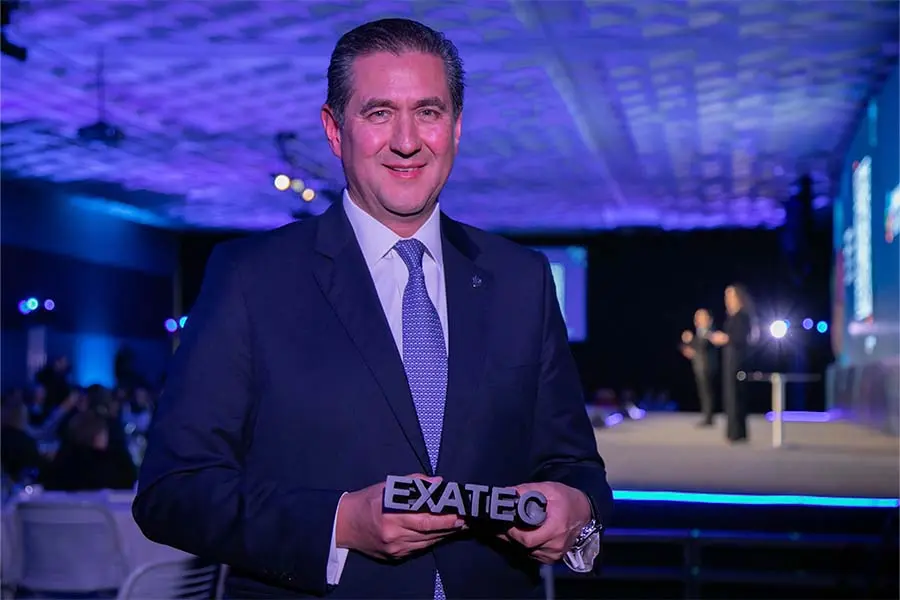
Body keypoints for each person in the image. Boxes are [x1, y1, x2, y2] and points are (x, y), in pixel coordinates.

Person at [133, 18, 613, 599]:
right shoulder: (251, 278)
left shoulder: (522, 279)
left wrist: (578, 507)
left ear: (456, 128)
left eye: (429, 112)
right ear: (335, 131)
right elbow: (172, 491)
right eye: (379, 112)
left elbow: (575, 464)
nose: (407, 140)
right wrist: (338, 525)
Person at [709, 284, 756, 443]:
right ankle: (733, 431)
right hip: (729, 358)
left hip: (738, 359)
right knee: (730, 395)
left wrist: (725, 338)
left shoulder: (743, 316)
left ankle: (737, 432)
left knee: (736, 396)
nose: (727, 300)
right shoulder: (732, 316)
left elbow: (741, 338)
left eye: (730, 296)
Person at [680, 308, 717, 427]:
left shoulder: (709, 331)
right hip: (699, 365)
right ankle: (706, 415)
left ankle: (709, 417)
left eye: (700, 317)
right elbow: (694, 347)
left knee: (707, 392)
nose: (697, 320)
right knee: (703, 392)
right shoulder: (700, 332)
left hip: (707, 366)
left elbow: (703, 345)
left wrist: (691, 340)